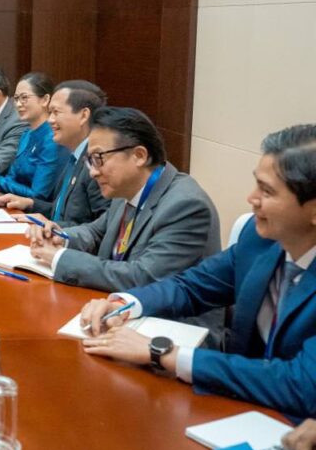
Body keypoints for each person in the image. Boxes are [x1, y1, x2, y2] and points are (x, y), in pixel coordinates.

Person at [78, 124, 316, 420]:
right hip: (238, 406)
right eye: (256, 184)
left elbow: (302, 384)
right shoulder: (258, 241)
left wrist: (163, 353)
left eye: (267, 191)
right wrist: (124, 304)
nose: (251, 198)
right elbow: (191, 287)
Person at [27, 106, 221, 293]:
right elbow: (95, 232)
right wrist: (60, 237)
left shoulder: (185, 206)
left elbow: (144, 277)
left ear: (139, 156)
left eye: (99, 158)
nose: (93, 172)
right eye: (90, 161)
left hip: (164, 314)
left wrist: (60, 258)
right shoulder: (125, 189)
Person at [0, 80, 110, 226]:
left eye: (56, 112)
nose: (50, 120)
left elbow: (103, 229)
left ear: (83, 115)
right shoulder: (75, 156)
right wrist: (30, 204)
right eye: (50, 113)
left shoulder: (98, 164)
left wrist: (55, 228)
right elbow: (61, 212)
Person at [0, 72, 68, 200]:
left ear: (45, 100)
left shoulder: (52, 139)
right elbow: (11, 178)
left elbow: (38, 195)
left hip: (34, 210)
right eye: (16, 98)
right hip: (11, 204)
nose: (19, 104)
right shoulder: (26, 134)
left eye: (24, 98)